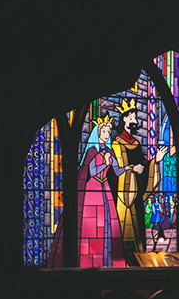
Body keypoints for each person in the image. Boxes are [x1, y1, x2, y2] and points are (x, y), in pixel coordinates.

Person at [48, 115, 129, 267]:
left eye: (109, 132)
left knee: (108, 224)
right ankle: (91, 260)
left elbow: (117, 171)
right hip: (93, 190)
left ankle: (108, 261)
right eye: (104, 131)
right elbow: (92, 171)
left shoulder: (110, 152)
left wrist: (131, 167)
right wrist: (105, 164)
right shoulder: (92, 151)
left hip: (105, 189)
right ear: (98, 133)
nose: (107, 135)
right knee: (93, 226)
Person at [109, 98, 168, 253]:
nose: (135, 120)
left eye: (135, 117)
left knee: (138, 234)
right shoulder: (117, 144)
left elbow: (143, 165)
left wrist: (156, 161)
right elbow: (117, 170)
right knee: (124, 232)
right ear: (124, 119)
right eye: (131, 117)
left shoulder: (136, 143)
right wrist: (132, 169)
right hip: (123, 195)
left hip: (136, 194)